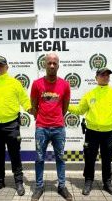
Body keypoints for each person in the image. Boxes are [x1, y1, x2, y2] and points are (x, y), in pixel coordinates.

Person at [68, 67, 112, 197]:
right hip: (92, 132)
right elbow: (80, 110)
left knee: (107, 159)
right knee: (89, 158)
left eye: (107, 75)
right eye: (102, 75)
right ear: (96, 77)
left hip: (108, 132)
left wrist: (111, 120)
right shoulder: (89, 94)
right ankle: (88, 181)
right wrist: (65, 106)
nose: (105, 77)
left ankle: (107, 183)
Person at [0, 55, 31, 196]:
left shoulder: (15, 83)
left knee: (15, 154)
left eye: (1, 65)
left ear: (7, 67)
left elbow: (24, 99)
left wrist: (29, 109)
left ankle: (19, 182)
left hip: (12, 125)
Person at [30, 52, 72, 201]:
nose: (52, 65)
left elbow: (65, 107)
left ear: (58, 65)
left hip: (58, 128)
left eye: (55, 63)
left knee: (60, 158)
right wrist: (40, 118)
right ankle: (39, 186)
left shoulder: (65, 84)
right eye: (49, 63)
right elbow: (34, 105)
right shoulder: (36, 84)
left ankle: (62, 186)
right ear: (44, 64)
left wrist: (56, 118)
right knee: (40, 158)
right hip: (41, 128)